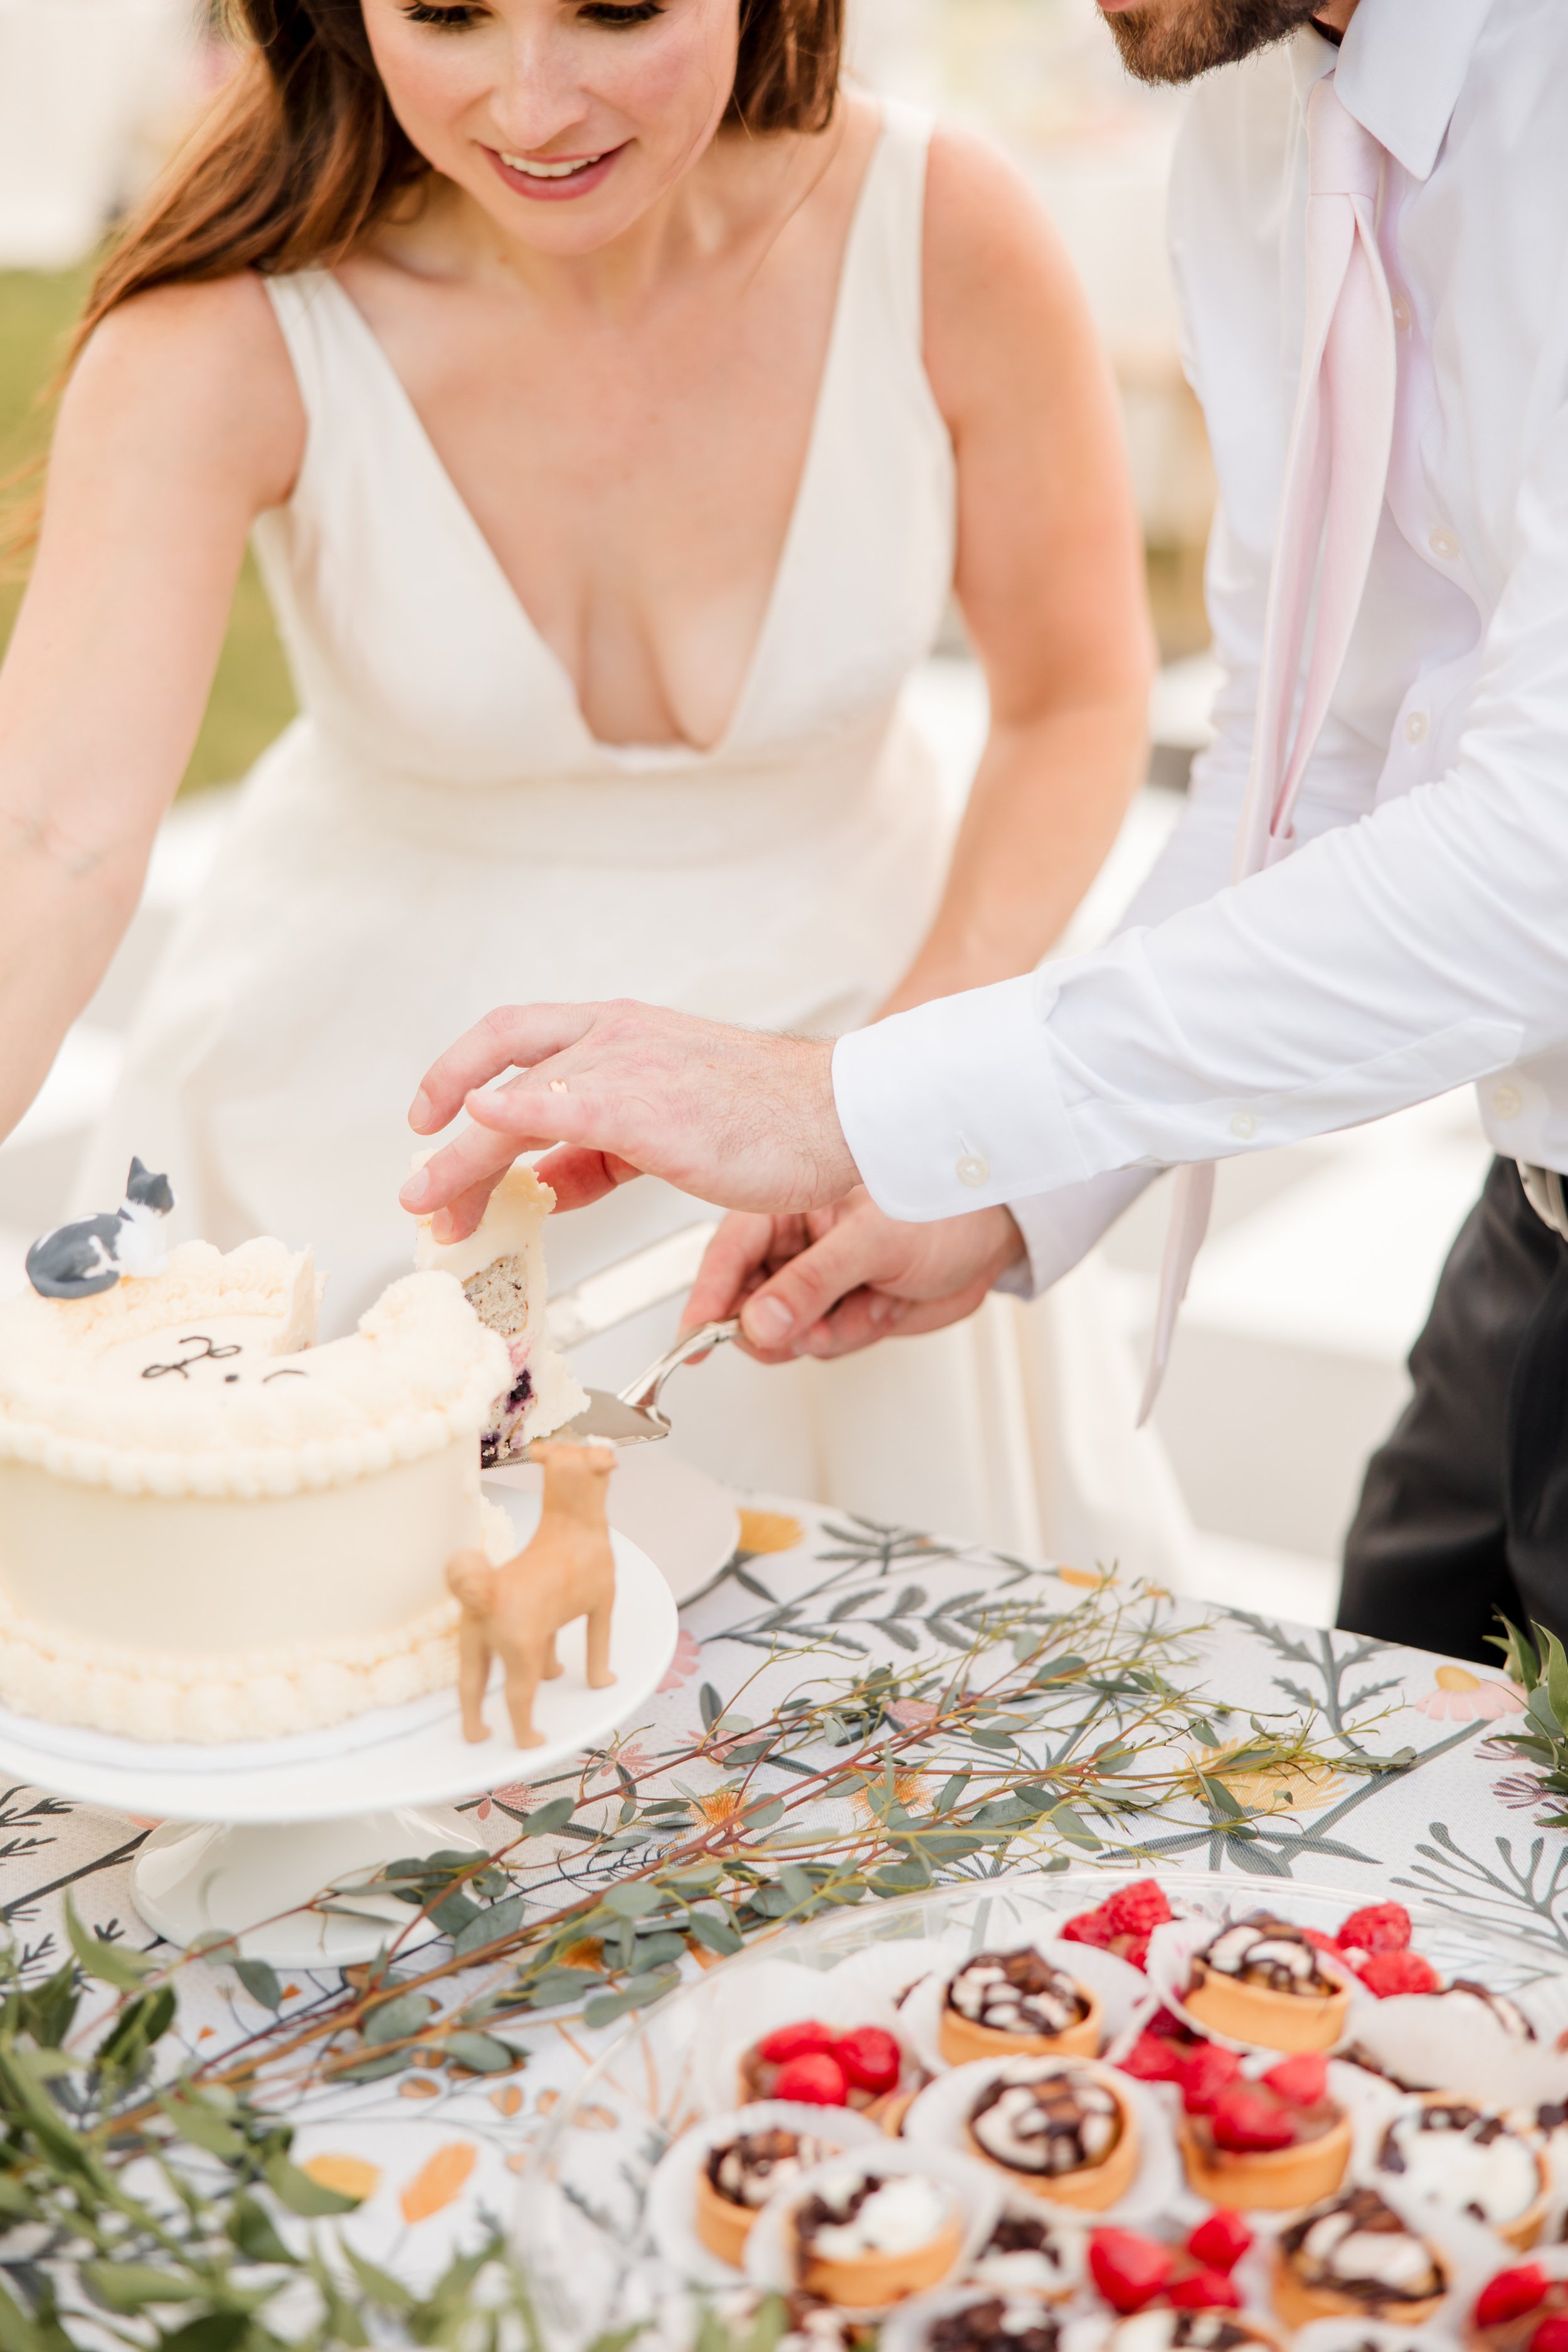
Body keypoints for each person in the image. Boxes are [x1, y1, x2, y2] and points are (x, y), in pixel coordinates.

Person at [405, 0, 1568, 1660]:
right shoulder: (1253, 129)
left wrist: (846, 1100)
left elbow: (1541, 865)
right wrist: (1001, 1178)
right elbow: (1307, 756)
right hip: (1530, 1230)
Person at [0, 0, 1151, 1523]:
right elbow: (48, 840)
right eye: (447, 16)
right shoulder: (229, 325)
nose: (533, 106)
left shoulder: (944, 233)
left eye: (614, 9)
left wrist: (899, 1093)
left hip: (835, 1103)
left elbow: (1073, 697)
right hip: (361, 1159)